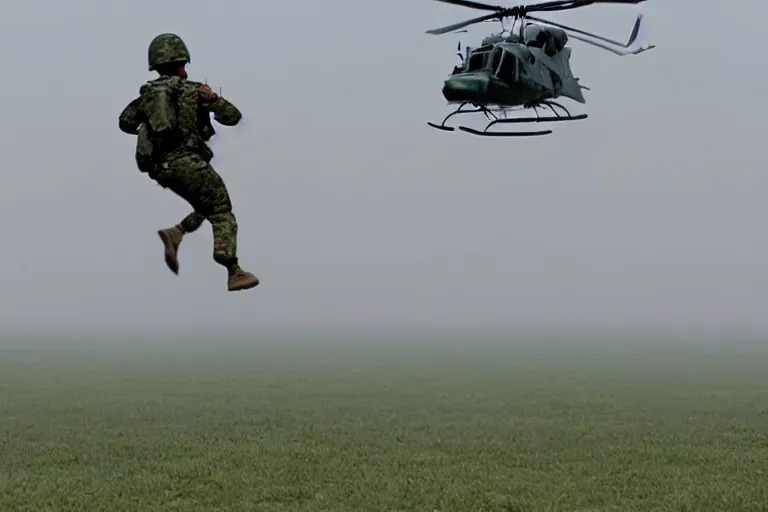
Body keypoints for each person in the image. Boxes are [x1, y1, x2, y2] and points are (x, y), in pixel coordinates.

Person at [118, 33, 259, 292]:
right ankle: (234, 271)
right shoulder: (195, 92)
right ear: (182, 63)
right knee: (221, 209)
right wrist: (214, 100)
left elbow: (125, 122)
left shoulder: (148, 96)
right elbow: (233, 117)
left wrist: (153, 126)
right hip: (189, 164)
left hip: (162, 170)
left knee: (205, 204)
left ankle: (176, 233)